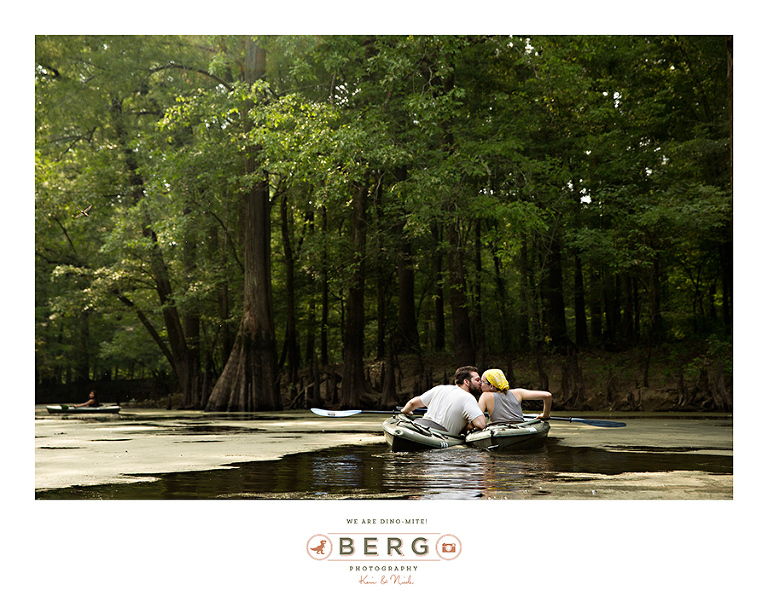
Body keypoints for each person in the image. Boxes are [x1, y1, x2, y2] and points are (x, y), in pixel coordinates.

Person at [400, 366, 486, 435]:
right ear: (466, 382)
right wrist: (468, 427)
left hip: (420, 425)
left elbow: (412, 403)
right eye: (477, 380)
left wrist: (405, 411)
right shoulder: (468, 397)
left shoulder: (439, 388)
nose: (480, 384)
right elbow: (481, 424)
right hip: (439, 436)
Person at [478, 369, 552, 424]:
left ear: (491, 386)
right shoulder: (518, 392)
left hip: (500, 430)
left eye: (482, 382)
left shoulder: (485, 396)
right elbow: (547, 395)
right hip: (520, 427)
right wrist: (545, 415)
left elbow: (478, 418)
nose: (480, 384)